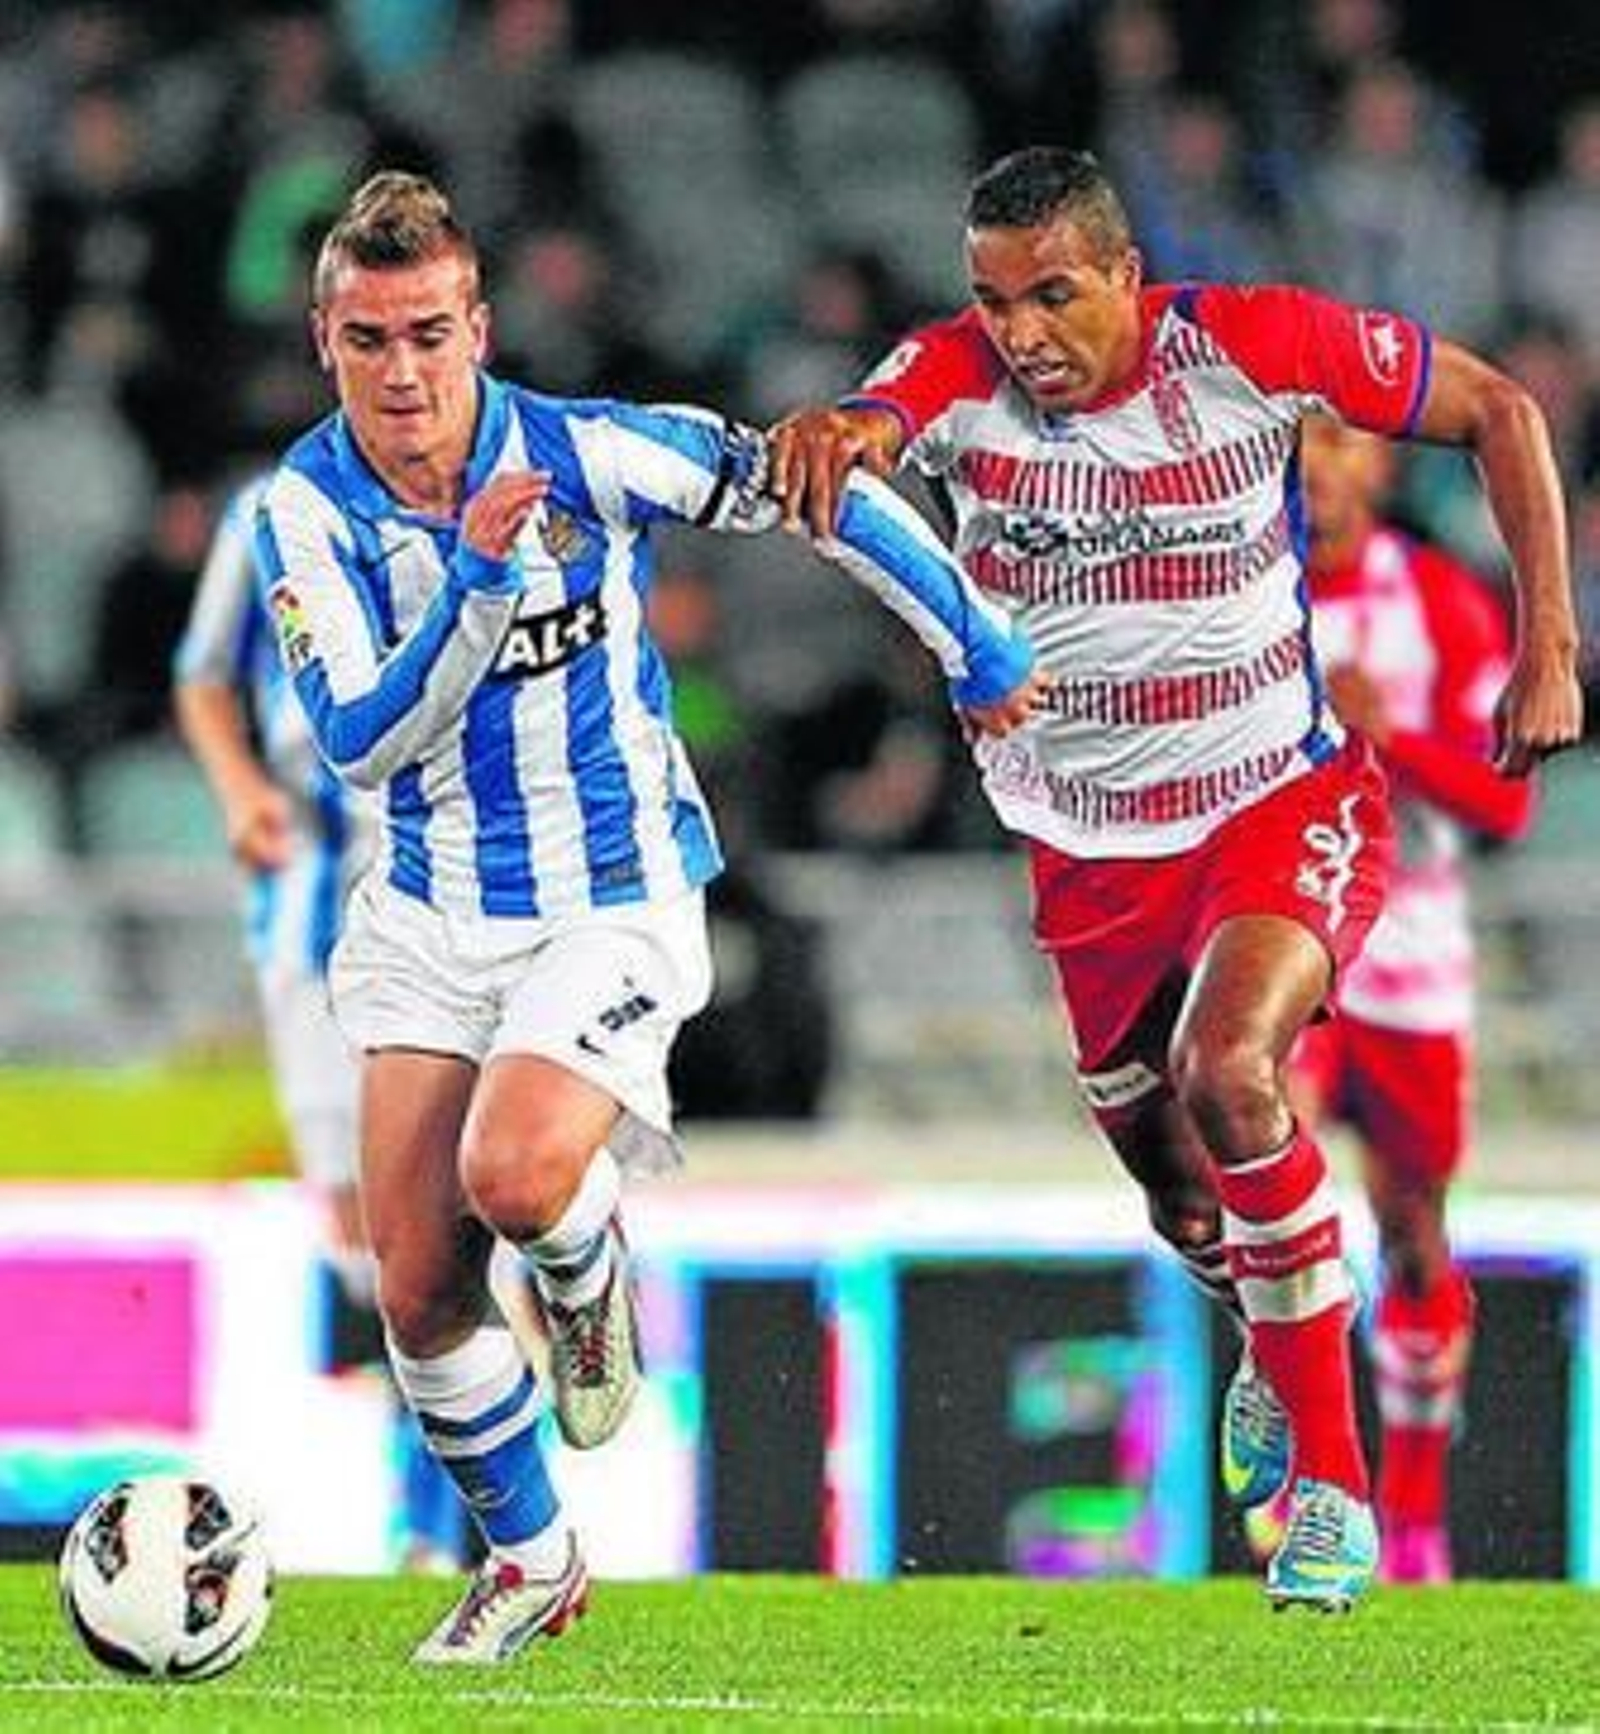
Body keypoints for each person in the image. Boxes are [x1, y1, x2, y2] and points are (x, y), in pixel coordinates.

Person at [771, 145, 1583, 1610]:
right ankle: (1265, 1323)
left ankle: (1330, 1491)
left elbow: (1501, 409)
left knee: (1230, 1070)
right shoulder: (958, 374)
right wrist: (844, 431)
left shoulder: (1253, 344)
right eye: (996, 299)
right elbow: (878, 419)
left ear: (1127, 277)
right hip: (1086, 856)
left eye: (1056, 296)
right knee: (1185, 1200)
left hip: (1277, 799)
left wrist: (1550, 645)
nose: (1023, 332)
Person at [255, 170, 1044, 1664]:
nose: (404, 370)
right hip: (429, 912)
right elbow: (361, 737)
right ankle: (533, 1558)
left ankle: (584, 1255)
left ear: (480, 326)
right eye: (370, 339)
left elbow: (820, 495)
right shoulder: (307, 509)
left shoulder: (592, 450)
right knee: (415, 1287)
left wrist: (978, 639)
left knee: (515, 1170)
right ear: (325, 341)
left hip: (610, 898)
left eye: (430, 331)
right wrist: (480, 585)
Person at [174, 474, 468, 1574]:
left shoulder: (499, 485)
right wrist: (240, 788)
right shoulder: (264, 513)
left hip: (455, 895)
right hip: (308, 913)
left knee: (442, 1218)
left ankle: (451, 1524)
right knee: (361, 1238)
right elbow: (203, 678)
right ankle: (433, 1490)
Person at [1286, 418, 1537, 1583]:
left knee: (1414, 1236)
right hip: (1286, 936)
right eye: (1298, 450)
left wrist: (1386, 741)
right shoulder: (1240, 600)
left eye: (1341, 446)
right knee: (1258, 1142)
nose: (1321, 470)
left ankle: (1416, 1517)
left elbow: (1505, 808)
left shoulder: (1438, 601)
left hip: (1411, 949)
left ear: (1382, 466)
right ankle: (1303, 1464)